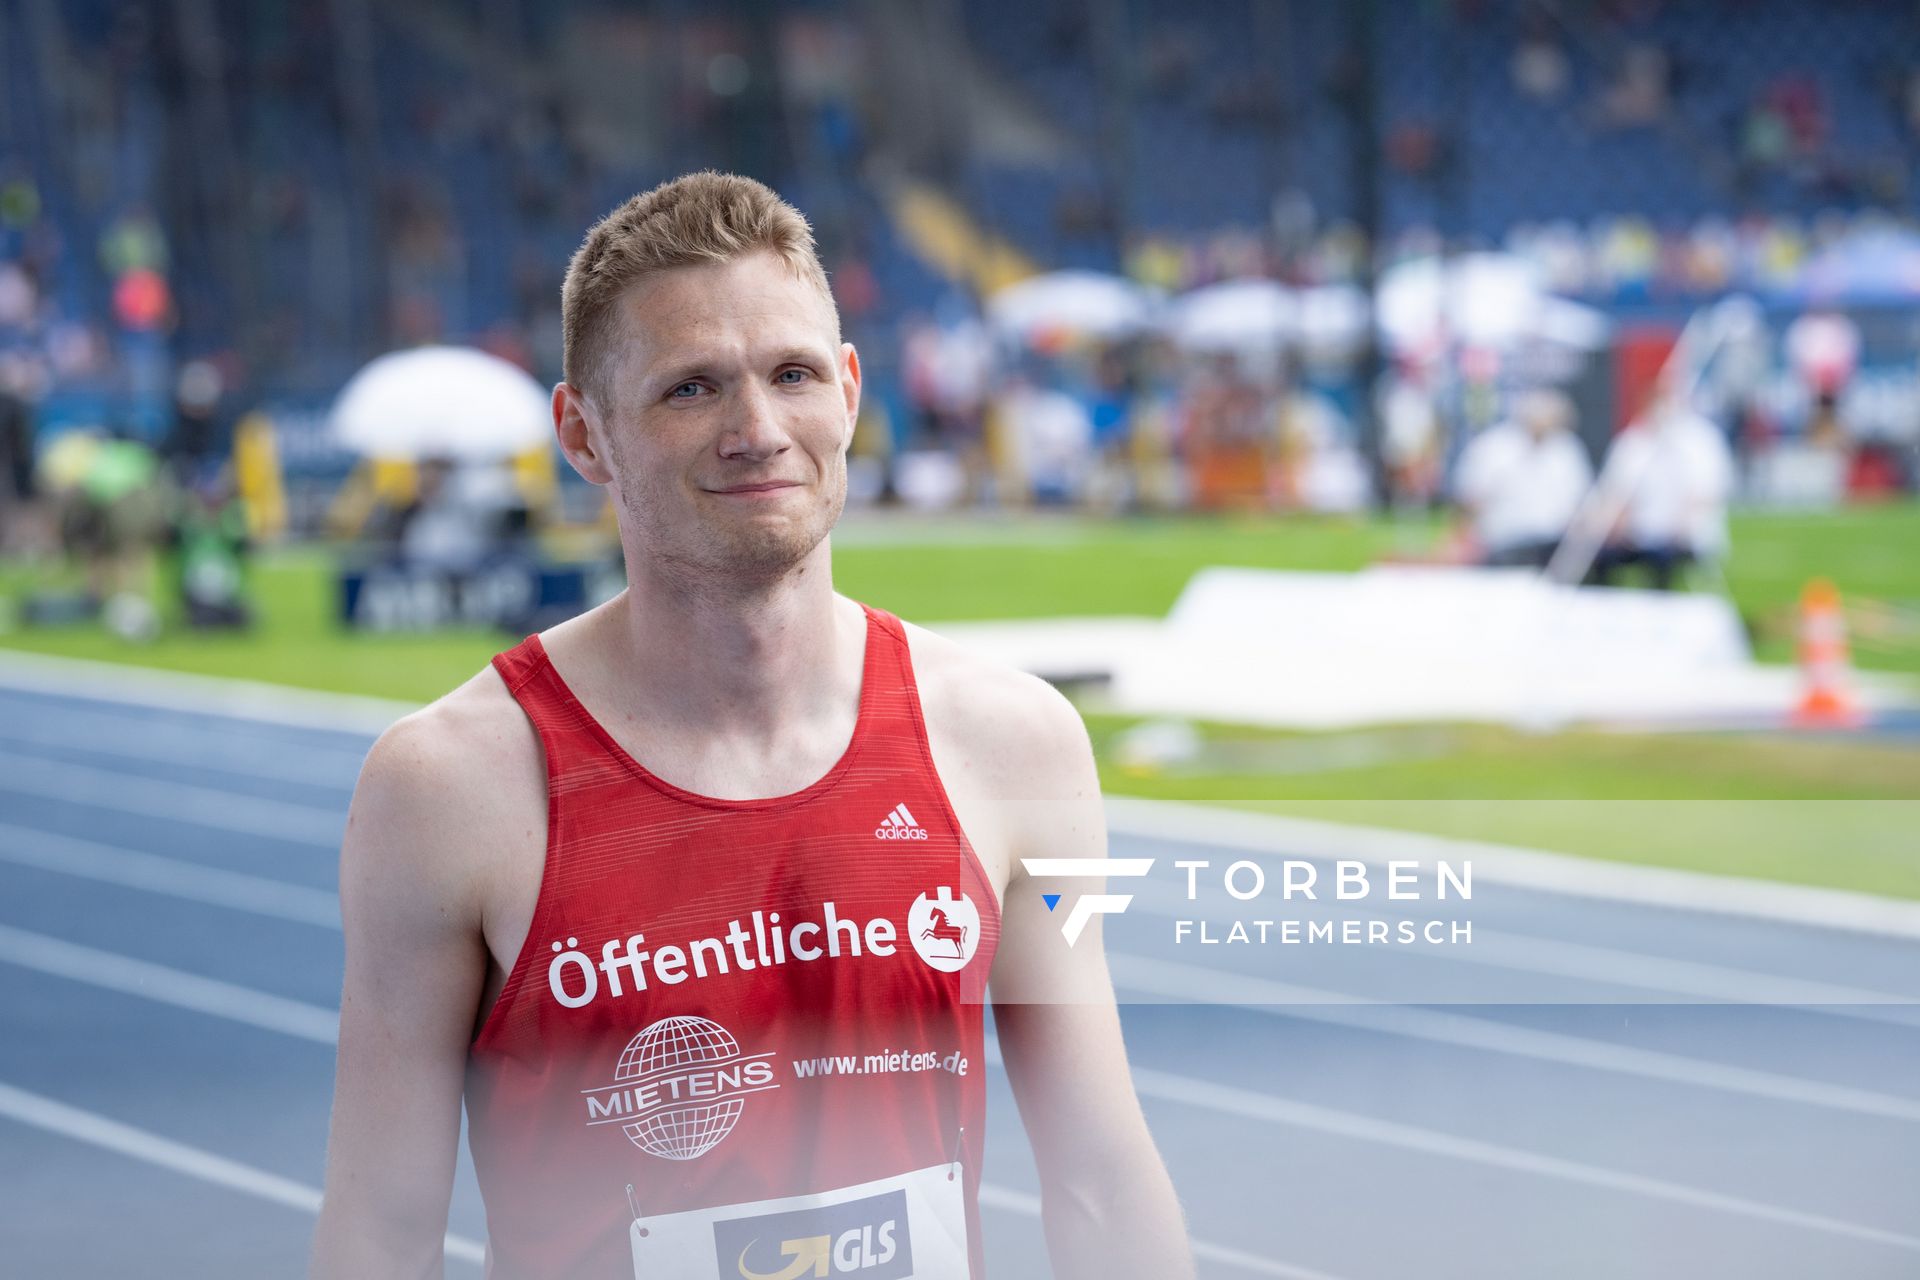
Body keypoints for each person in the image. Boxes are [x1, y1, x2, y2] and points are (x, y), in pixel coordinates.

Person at [311, 172, 1193, 1280]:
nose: (757, 430)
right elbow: (380, 1230)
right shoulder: (450, 786)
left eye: (792, 374)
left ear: (853, 391)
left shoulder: (1018, 744)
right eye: (691, 388)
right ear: (584, 434)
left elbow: (1100, 1175)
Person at [1593, 373, 1735, 590]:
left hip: (1679, 535)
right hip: (1639, 533)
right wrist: (1618, 524)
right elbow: (1617, 492)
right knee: (1601, 555)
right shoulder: (1632, 442)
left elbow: (1706, 493)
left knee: (1662, 558)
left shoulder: (1699, 440)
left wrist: (1678, 527)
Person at [1452, 389, 1592, 568]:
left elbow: (1582, 503)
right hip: (1505, 544)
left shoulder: (1567, 449)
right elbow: (1469, 501)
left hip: (1555, 546)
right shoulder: (1493, 447)